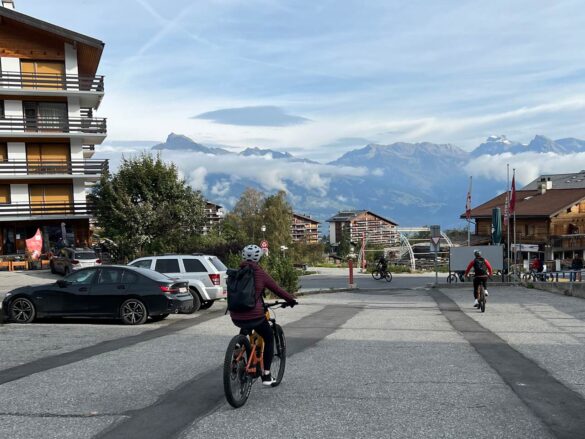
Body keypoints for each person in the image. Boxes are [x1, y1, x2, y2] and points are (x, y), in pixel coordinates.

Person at [229, 244, 298, 386]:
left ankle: (238, 350)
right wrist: (290, 300)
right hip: (255, 316)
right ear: (259, 257)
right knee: (268, 337)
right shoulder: (260, 273)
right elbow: (277, 289)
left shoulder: (236, 272)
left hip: (235, 315)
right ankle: (266, 375)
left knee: (245, 326)